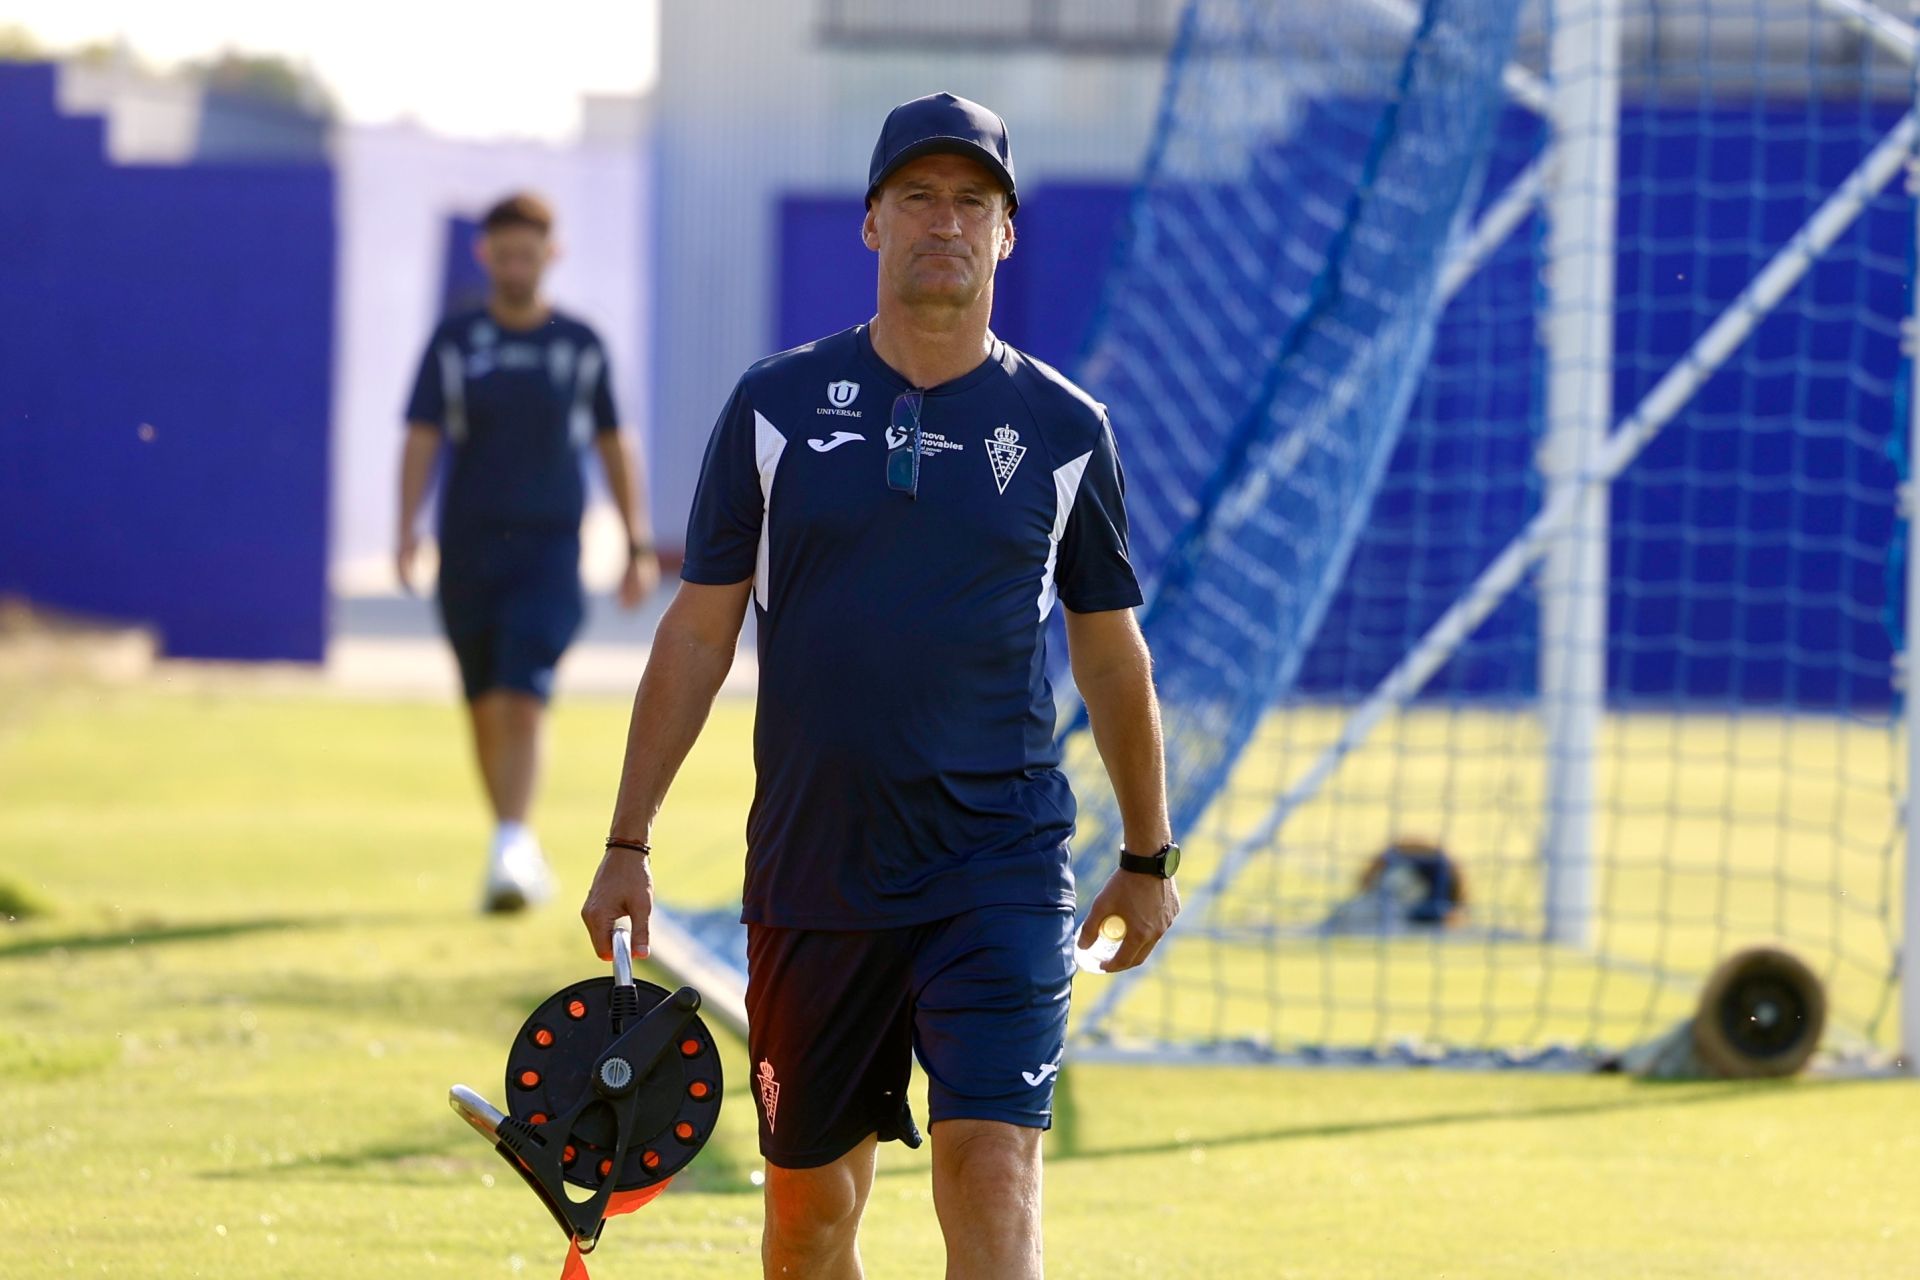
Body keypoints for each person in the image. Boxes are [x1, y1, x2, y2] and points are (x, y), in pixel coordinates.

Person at [581, 93, 1180, 1279]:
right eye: (918, 198)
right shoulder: (774, 409)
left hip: (998, 864)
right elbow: (699, 635)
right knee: (808, 1220)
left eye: (973, 202)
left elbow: (1110, 653)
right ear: (872, 224)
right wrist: (627, 839)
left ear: (1007, 233)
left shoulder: (1064, 429)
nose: (944, 224)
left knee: (992, 1178)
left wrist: (1150, 853)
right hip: (815, 870)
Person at [398, 191, 660, 913]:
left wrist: (636, 542)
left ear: (553, 254)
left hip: (548, 550)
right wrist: (404, 527)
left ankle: (510, 843)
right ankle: (511, 841)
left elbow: (615, 441)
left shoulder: (579, 345)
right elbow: (421, 435)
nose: (516, 266)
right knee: (484, 701)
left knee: (522, 695)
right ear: (485, 256)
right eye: (504, 253)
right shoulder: (454, 343)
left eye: (529, 253)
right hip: (468, 550)